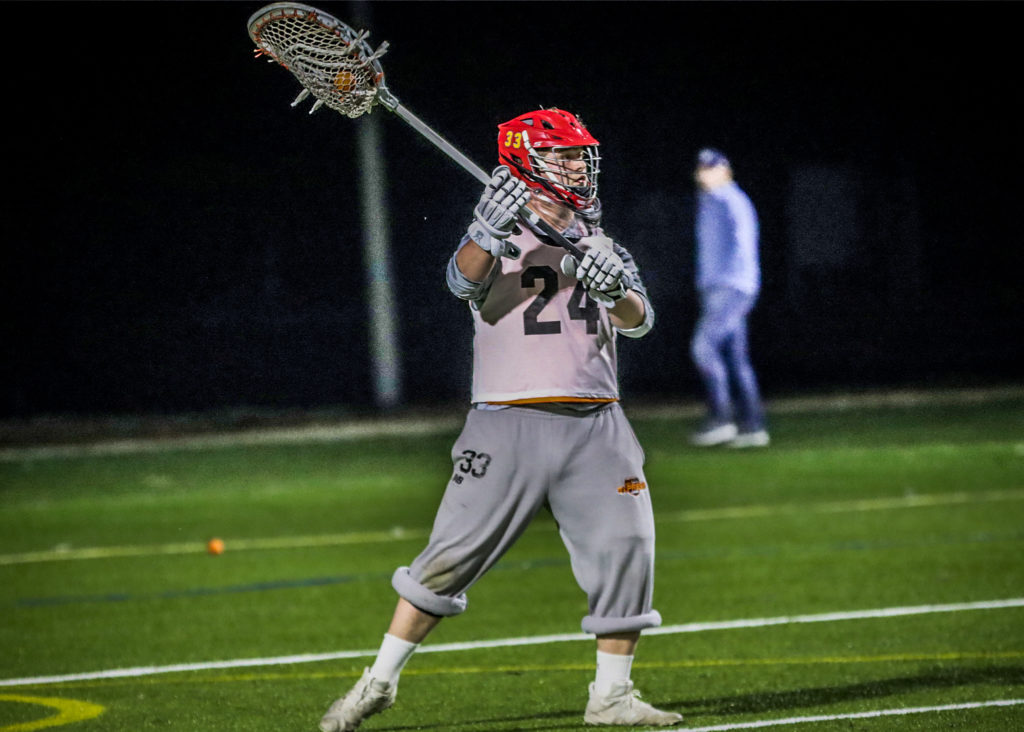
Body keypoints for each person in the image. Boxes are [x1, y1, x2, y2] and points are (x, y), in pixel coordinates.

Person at [319, 108, 682, 730]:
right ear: (524, 160)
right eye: (564, 154)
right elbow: (461, 283)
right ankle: (378, 681)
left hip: (598, 425)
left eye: (580, 154)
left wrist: (613, 285)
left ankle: (612, 697)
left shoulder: (602, 240)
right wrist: (484, 231)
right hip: (508, 422)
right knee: (448, 560)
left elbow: (640, 321)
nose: (578, 165)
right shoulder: (497, 234)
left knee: (629, 549)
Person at [689, 147, 769, 448]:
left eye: (710, 168)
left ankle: (722, 419)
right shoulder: (708, 202)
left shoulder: (731, 200)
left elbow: (743, 245)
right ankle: (753, 427)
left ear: (724, 170)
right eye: (701, 169)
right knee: (736, 358)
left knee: (703, 347)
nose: (703, 174)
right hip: (717, 287)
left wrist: (738, 285)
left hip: (732, 287)